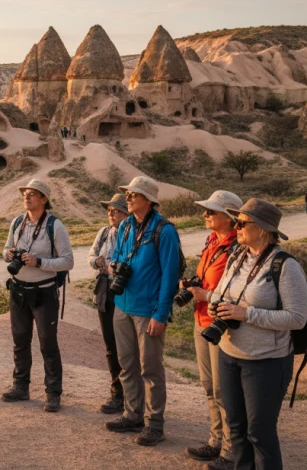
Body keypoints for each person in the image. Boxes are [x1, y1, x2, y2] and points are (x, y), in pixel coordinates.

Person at [205, 199, 307, 470]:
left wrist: (245, 314)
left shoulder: (285, 266)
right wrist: (215, 302)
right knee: (236, 428)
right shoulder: (238, 256)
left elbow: (297, 318)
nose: (236, 227)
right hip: (230, 354)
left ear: (262, 229)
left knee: (260, 434)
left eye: (241, 223)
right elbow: (226, 293)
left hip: (266, 361)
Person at [104, 176, 181, 447]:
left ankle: (154, 423)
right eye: (128, 194)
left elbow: (170, 276)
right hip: (122, 304)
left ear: (148, 200)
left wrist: (160, 314)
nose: (128, 198)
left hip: (148, 310)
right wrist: (115, 266)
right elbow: (121, 255)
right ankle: (132, 414)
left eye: (133, 195)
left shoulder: (165, 231)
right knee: (127, 364)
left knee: (150, 368)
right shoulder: (125, 225)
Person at [1, 179, 74, 413]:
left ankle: (53, 394)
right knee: (20, 341)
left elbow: (68, 261)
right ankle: (21, 387)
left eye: (33, 194)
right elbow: (4, 250)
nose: (27, 197)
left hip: (44, 293)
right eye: (25, 193)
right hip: (19, 291)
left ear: (44, 199)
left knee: (47, 344)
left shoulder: (55, 226)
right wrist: (9, 253)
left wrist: (39, 262)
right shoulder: (17, 223)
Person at [182, 191, 243, 469]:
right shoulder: (212, 242)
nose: (205, 215)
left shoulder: (237, 247)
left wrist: (204, 295)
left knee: (224, 390)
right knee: (209, 386)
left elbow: (237, 291)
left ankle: (231, 452)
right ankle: (216, 441)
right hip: (202, 322)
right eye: (205, 211)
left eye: (211, 211)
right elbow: (207, 279)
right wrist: (192, 287)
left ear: (229, 217)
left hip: (223, 327)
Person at [88, 193, 129, 415]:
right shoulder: (103, 233)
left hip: (125, 291)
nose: (110, 214)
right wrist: (97, 262)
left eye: (115, 210)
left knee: (127, 346)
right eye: (109, 210)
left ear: (126, 213)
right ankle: (117, 393)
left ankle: (132, 394)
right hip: (105, 290)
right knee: (110, 346)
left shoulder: (132, 234)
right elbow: (91, 256)